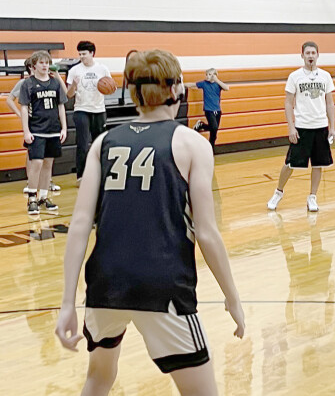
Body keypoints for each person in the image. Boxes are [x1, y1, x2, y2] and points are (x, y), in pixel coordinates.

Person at [55, 49, 245, 396]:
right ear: (179, 89)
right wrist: (232, 297)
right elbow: (206, 232)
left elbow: (80, 224)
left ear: (131, 91)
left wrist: (68, 301)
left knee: (98, 378)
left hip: (106, 283)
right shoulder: (192, 143)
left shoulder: (103, 142)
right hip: (163, 284)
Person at [267, 41, 335, 212]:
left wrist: (332, 127)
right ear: (302, 55)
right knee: (290, 163)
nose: (310, 56)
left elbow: (330, 103)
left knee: (318, 164)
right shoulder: (295, 77)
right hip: (302, 127)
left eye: (313, 53)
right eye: (308, 53)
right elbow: (288, 103)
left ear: (318, 55)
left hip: (320, 127)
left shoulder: (325, 76)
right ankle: (278, 192)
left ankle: (312, 197)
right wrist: (291, 127)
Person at [19, 51, 67, 215]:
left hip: (53, 129)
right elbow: (24, 108)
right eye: (41, 63)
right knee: (37, 162)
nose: (45, 65)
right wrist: (26, 130)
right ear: (34, 66)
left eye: (47, 62)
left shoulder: (55, 83)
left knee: (48, 164)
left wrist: (64, 128)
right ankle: (32, 197)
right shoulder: (28, 84)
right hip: (36, 129)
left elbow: (61, 106)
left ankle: (44, 197)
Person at [7, 58, 63, 193]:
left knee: (47, 159)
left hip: (48, 123)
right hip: (33, 124)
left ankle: (46, 183)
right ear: (31, 68)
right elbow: (10, 100)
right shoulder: (25, 83)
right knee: (33, 156)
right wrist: (20, 114)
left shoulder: (50, 82)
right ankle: (30, 181)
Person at [66, 40, 111, 184]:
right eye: (79, 54)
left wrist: (108, 88)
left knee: (100, 142)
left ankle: (102, 173)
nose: (82, 57)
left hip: (99, 110)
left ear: (92, 53)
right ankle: (81, 176)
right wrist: (74, 84)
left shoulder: (102, 69)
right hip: (81, 110)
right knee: (82, 144)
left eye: (84, 54)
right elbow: (69, 94)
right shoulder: (74, 70)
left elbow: (111, 88)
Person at [186, 68, 229, 152]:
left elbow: (227, 88)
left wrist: (217, 80)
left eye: (209, 74)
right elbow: (192, 84)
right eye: (207, 74)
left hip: (218, 110)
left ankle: (210, 146)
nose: (207, 76)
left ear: (214, 76)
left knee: (214, 132)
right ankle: (209, 146)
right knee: (214, 127)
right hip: (208, 110)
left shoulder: (218, 84)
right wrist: (181, 84)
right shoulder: (204, 83)